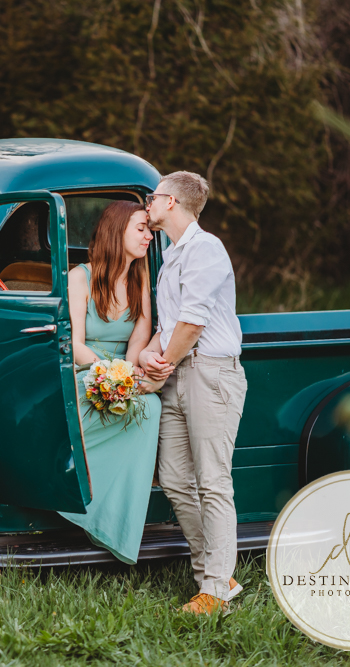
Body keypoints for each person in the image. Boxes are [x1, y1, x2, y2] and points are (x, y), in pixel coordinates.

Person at [139, 171, 247, 615]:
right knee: (177, 479)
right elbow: (169, 326)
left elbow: (193, 323)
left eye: (152, 198)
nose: (147, 204)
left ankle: (216, 592)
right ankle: (218, 574)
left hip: (211, 373)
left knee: (214, 484)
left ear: (170, 202)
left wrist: (160, 371)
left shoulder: (206, 249)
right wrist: (149, 353)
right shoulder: (171, 255)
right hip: (181, 371)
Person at [58, 200, 163, 563]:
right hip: (86, 367)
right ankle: (74, 496)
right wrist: (106, 371)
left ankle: (116, 520)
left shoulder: (140, 276)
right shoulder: (79, 277)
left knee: (149, 406)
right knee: (86, 401)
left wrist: (127, 371)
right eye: (141, 228)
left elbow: (140, 332)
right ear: (117, 231)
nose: (149, 236)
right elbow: (73, 344)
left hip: (124, 369)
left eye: (149, 229)